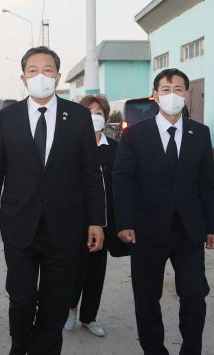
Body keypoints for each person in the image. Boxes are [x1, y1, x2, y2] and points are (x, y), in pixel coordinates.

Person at [0, 46, 105, 355]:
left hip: (66, 227)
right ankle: (18, 348)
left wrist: (97, 220)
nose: (40, 75)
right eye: (32, 69)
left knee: (53, 305)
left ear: (58, 76)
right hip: (20, 225)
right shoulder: (8, 117)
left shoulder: (78, 118)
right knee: (21, 299)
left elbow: (90, 175)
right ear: (22, 77)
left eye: (47, 69)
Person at [113, 68, 214, 355]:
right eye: (165, 88)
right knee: (147, 297)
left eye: (178, 88)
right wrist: (125, 222)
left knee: (194, 295)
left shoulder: (199, 134)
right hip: (146, 230)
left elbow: (207, 183)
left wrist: (212, 226)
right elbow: (122, 180)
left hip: (189, 231)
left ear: (186, 94)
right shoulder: (135, 135)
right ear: (155, 95)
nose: (172, 94)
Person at [65, 95, 131, 337]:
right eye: (89, 112)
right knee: (75, 269)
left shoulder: (115, 148)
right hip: (76, 221)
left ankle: (89, 317)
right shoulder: (71, 147)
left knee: (96, 272)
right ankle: (70, 310)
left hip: (104, 222)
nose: (95, 116)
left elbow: (124, 185)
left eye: (99, 112)